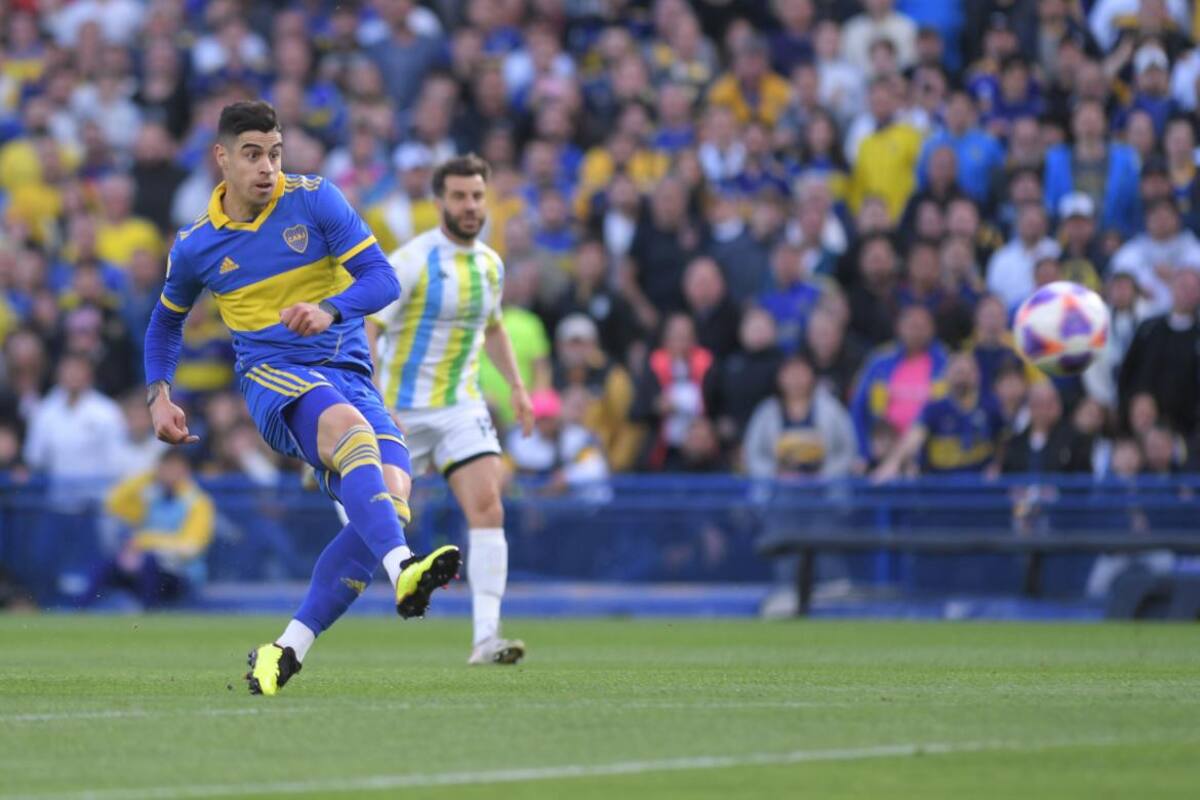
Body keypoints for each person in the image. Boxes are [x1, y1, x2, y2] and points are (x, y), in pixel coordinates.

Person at [143, 101, 460, 696]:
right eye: (252, 154)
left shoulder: (315, 199)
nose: (267, 167)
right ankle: (405, 570)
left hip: (348, 371)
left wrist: (330, 308)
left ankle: (285, 649)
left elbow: (383, 279)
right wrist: (159, 396)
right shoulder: (196, 246)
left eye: (275, 153)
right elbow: (165, 324)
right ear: (222, 159)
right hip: (275, 375)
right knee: (350, 435)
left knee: (391, 499)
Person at [368, 154, 532, 667]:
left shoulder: (490, 263)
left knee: (489, 506)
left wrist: (518, 389)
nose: (470, 206)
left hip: (460, 406)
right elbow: (369, 326)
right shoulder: (413, 261)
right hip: (402, 410)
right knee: (372, 517)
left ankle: (486, 636)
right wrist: (372, 401)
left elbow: (494, 327)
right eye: (459, 196)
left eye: (477, 196)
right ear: (439, 201)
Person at [89, 449, 214, 608]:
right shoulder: (152, 499)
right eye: (165, 468)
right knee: (106, 565)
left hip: (181, 572)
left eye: (174, 468)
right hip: (146, 565)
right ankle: (80, 612)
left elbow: (191, 547)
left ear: (185, 471)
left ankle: (146, 614)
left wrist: (145, 541)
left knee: (150, 562)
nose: (169, 473)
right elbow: (113, 503)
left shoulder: (198, 502)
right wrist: (149, 476)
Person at [872, 352, 1005, 480]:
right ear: (947, 375)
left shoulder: (991, 407)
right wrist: (893, 463)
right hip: (940, 490)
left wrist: (997, 465)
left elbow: (1003, 440)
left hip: (981, 490)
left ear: (977, 375)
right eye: (958, 372)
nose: (962, 378)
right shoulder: (935, 409)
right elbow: (915, 436)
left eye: (967, 373)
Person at [743, 354, 857, 478]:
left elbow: (848, 448)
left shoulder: (831, 408)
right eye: (790, 374)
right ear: (779, 378)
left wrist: (824, 475)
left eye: (801, 373)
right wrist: (775, 474)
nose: (796, 380)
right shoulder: (766, 412)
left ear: (812, 376)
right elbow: (752, 452)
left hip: (824, 491)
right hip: (777, 491)